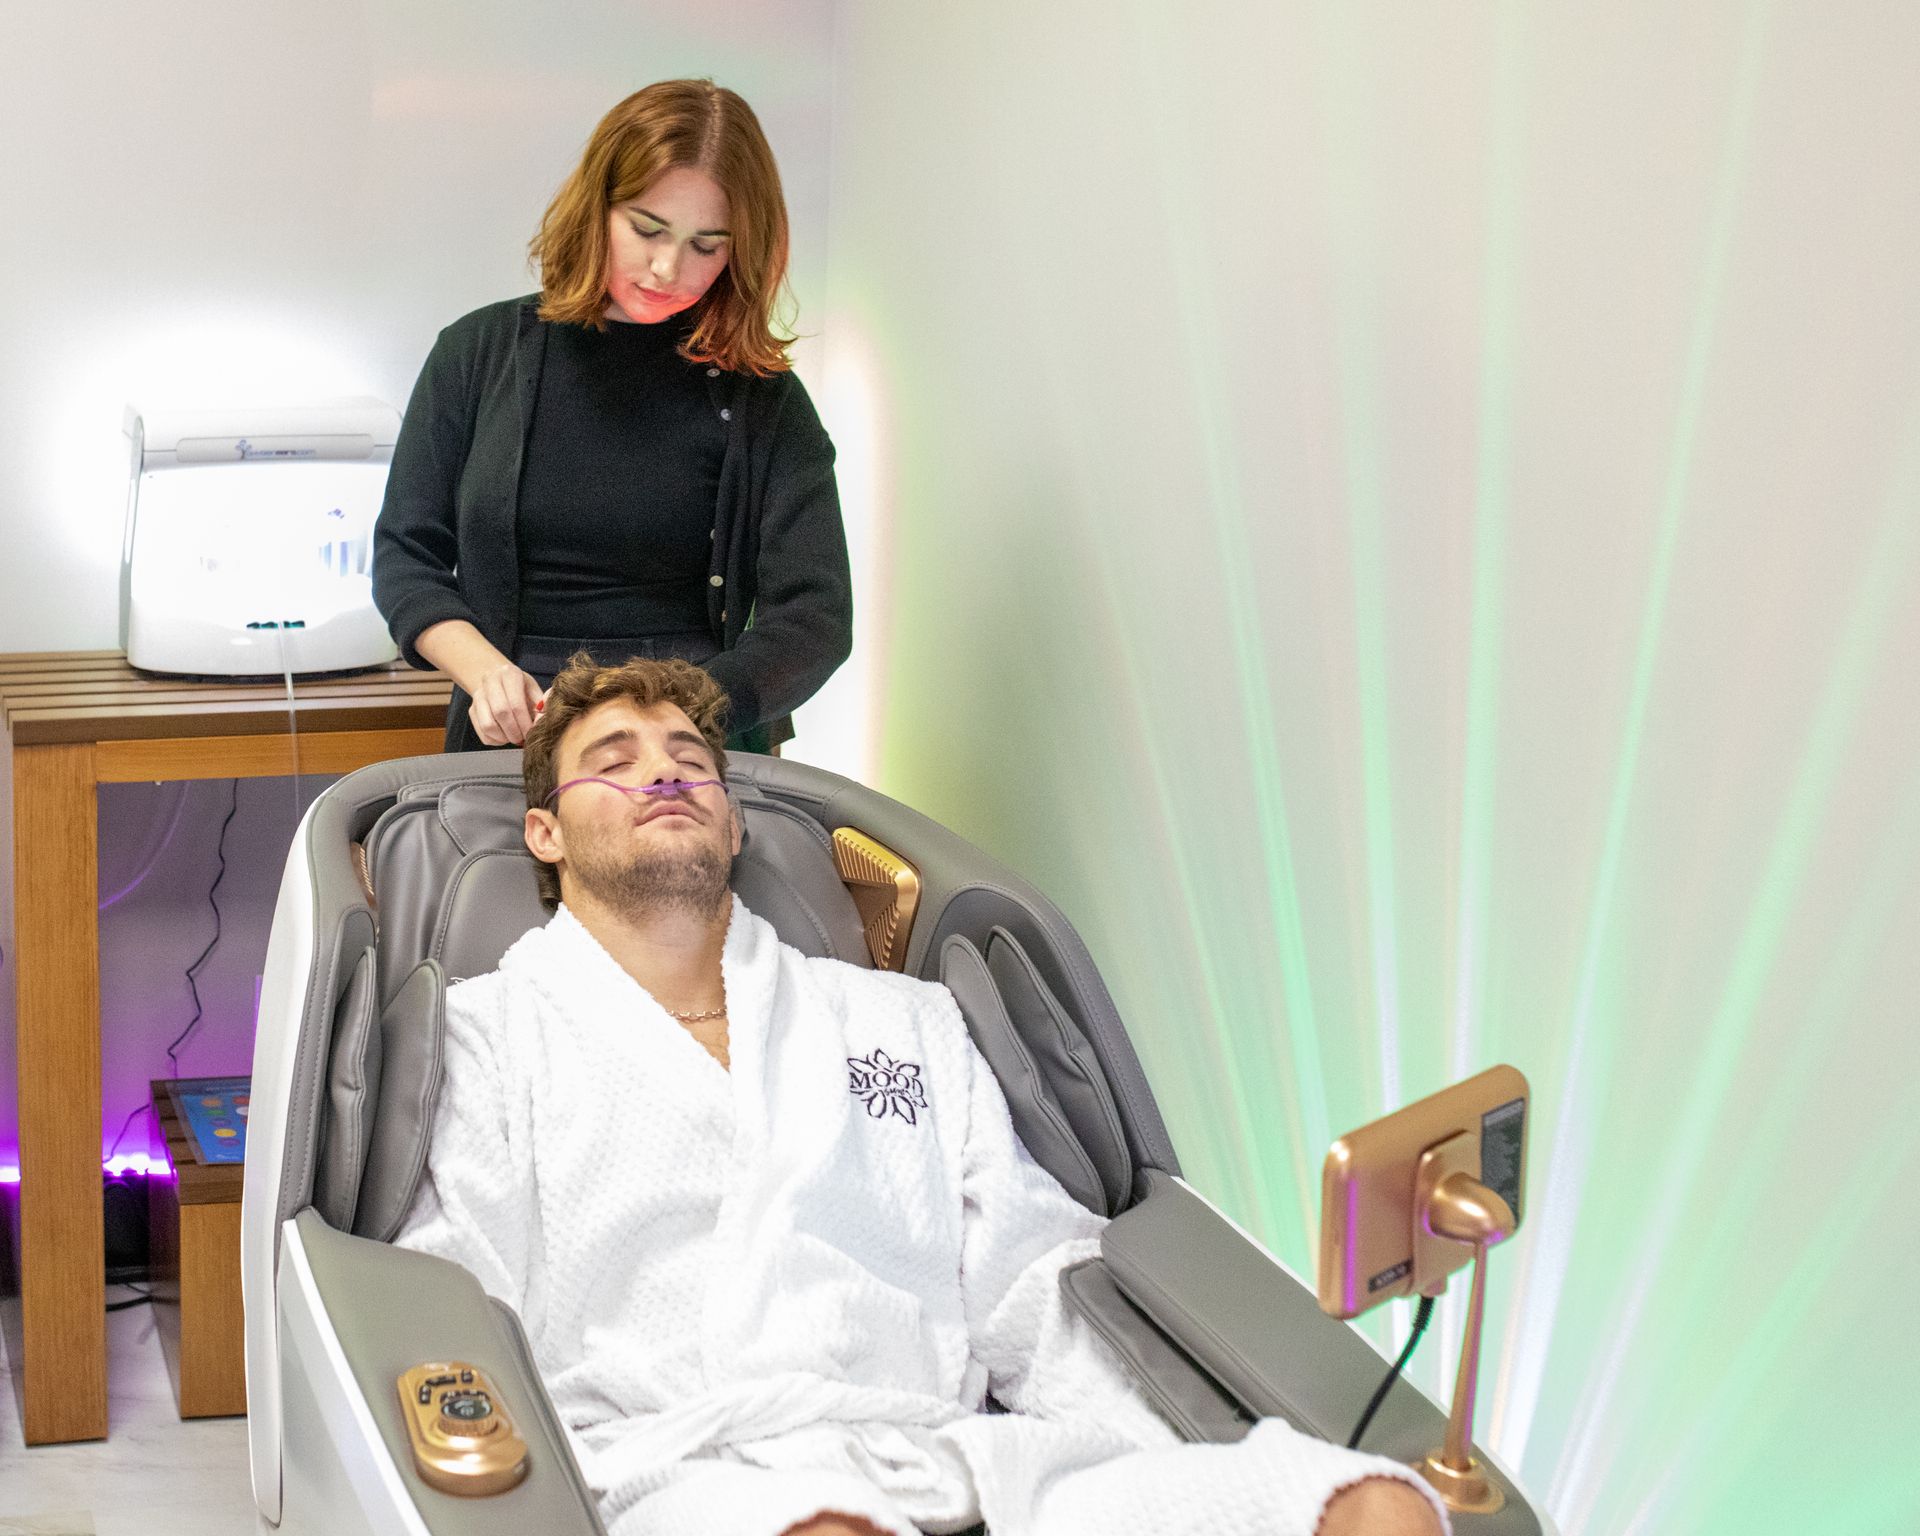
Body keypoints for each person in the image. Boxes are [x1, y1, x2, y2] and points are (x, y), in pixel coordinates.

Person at [393, 654, 1450, 1536]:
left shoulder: (902, 1022)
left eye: (690, 762)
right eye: (611, 764)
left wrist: (1151, 1440)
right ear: (543, 834)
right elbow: (459, 1293)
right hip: (681, 1469)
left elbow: (1031, 1275)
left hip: (959, 1455)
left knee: (1367, 1507)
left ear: (736, 826)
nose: (663, 778)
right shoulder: (492, 1039)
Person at [372, 79, 851, 756]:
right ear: (596, 207)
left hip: (690, 738)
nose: (667, 268)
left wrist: (681, 715)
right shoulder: (476, 355)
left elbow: (814, 620)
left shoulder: (764, 401)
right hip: (516, 731)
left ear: (742, 250)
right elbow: (405, 557)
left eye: (706, 245)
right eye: (647, 229)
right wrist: (483, 672)